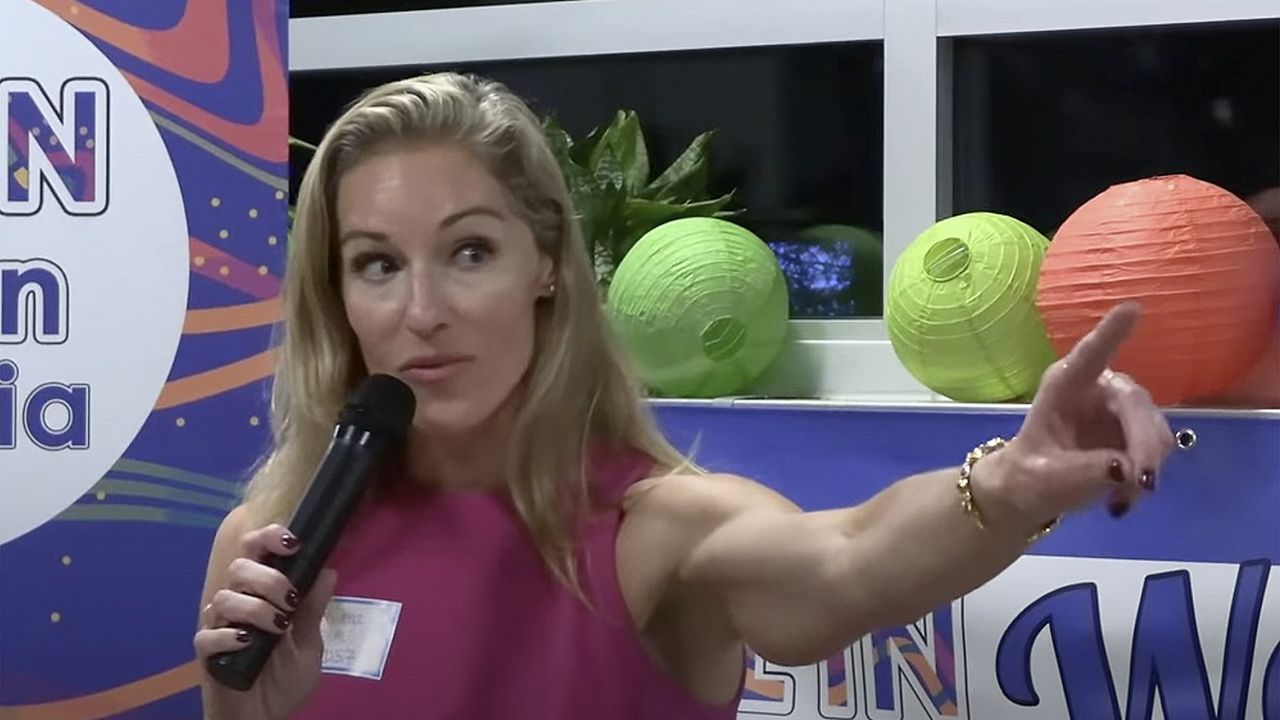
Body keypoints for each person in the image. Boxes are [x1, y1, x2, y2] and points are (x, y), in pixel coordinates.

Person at [192, 71, 1175, 720]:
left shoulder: (655, 529)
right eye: (374, 264)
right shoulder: (272, 542)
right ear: (336, 294)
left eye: (469, 252)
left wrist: (1005, 485)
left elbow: (848, 558)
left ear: (543, 266)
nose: (422, 311)